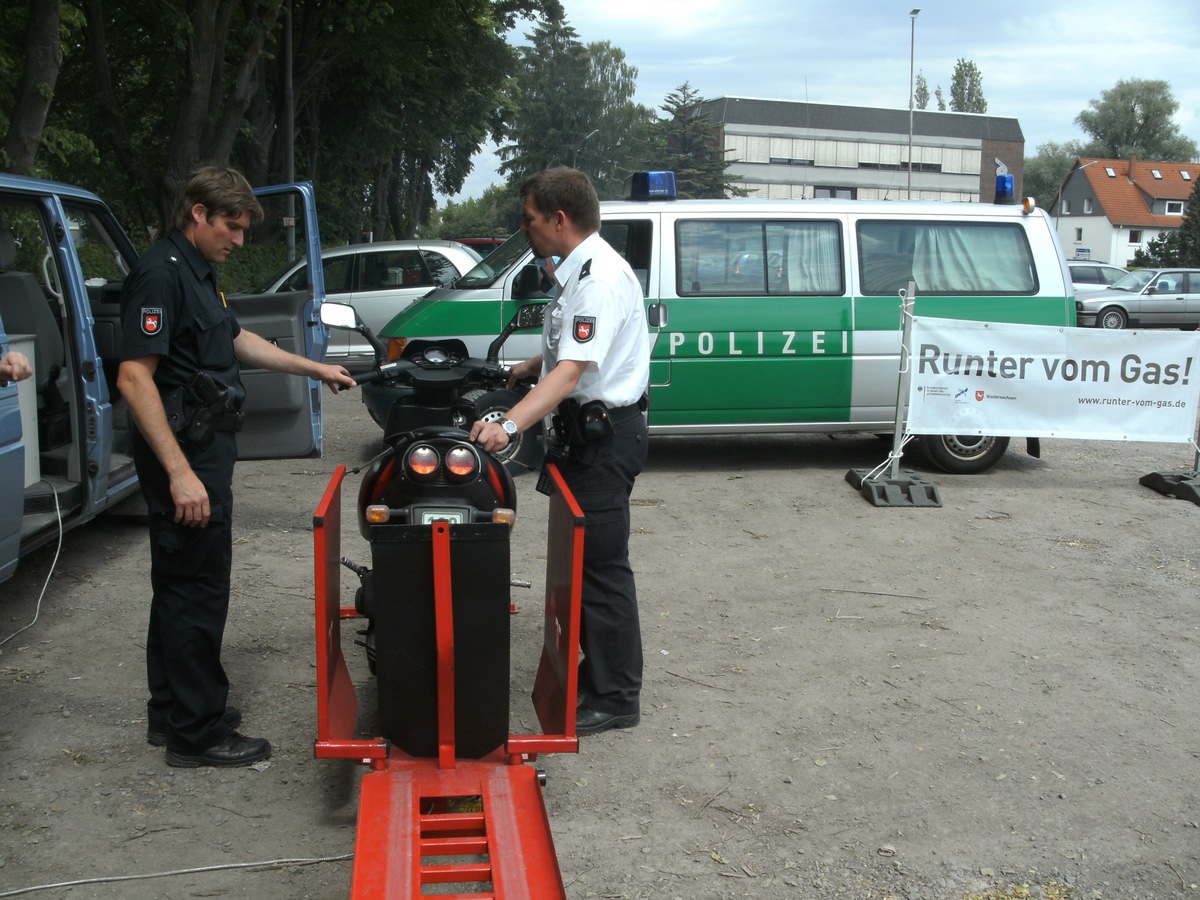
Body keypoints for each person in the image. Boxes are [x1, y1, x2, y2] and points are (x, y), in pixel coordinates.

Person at [118, 166, 355, 767]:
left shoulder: (197, 273)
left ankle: (172, 710)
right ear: (197, 212)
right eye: (231, 226)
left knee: (177, 582)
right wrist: (178, 472)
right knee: (197, 588)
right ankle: (196, 735)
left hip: (201, 451)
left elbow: (233, 339)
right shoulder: (160, 274)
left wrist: (313, 368)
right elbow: (134, 376)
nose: (239, 240)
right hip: (184, 455)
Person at [471, 167, 650, 737]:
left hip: (604, 436)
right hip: (587, 435)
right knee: (581, 561)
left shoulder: (596, 278)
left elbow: (574, 372)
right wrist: (530, 367)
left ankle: (617, 695)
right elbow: (570, 354)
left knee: (599, 567)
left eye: (528, 219)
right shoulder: (580, 272)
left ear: (559, 219)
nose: (525, 229)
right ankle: (598, 670)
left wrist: (509, 423)